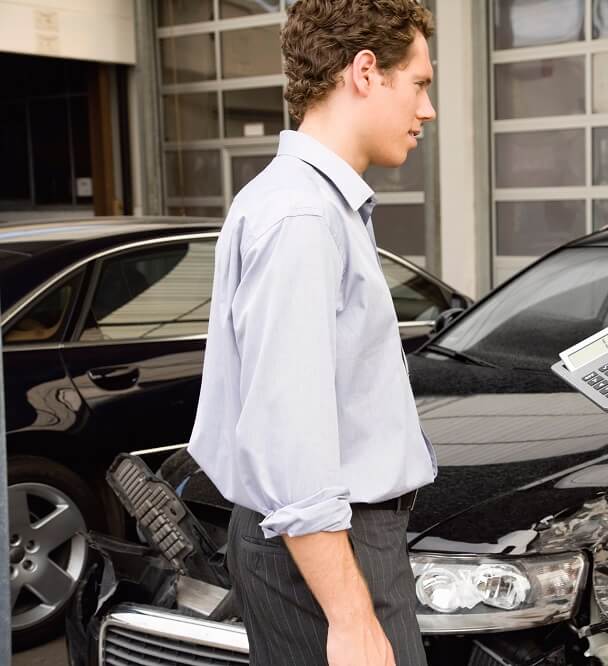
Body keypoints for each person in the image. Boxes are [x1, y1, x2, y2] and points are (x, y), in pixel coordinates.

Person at [187, 1, 438, 664]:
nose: (427, 110)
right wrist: (352, 617)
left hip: (319, 547)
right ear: (365, 73)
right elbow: (290, 439)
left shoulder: (308, 202)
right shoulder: (302, 216)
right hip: (324, 553)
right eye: (419, 84)